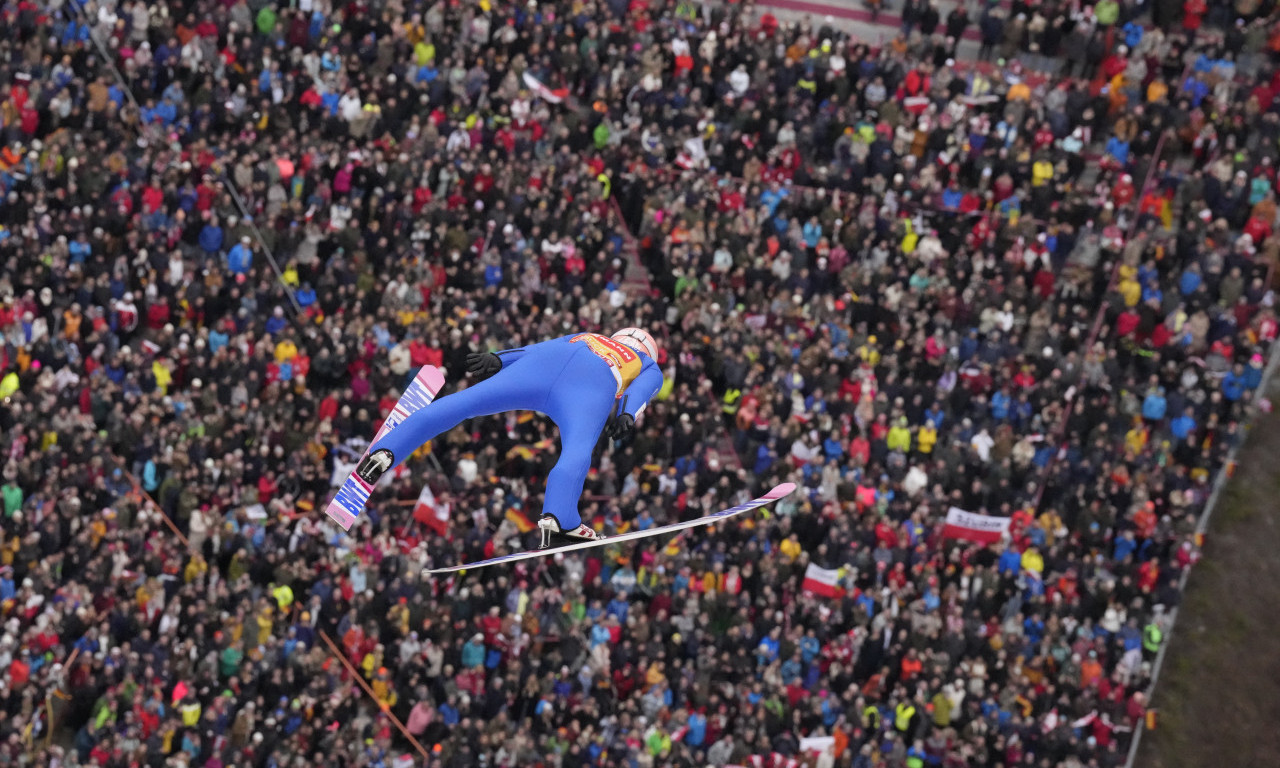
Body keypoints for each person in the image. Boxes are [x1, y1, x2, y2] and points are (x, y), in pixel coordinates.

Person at [356, 328, 664, 545]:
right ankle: (558, 518)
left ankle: (385, 451)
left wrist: (499, 358)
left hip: (541, 366)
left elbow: (542, 348)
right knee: (576, 451)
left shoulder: (591, 335)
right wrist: (627, 413)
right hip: (590, 386)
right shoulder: (647, 363)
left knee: (464, 403)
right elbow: (642, 388)